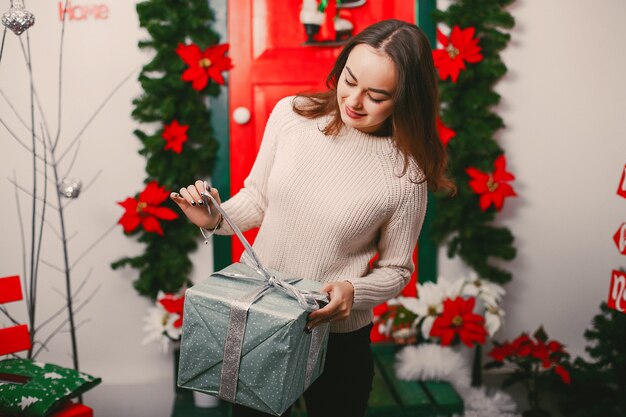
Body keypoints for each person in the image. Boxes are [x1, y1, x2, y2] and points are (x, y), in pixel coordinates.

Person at [170, 19, 454, 417]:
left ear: (406, 100)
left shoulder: (406, 175)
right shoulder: (292, 116)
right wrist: (214, 216)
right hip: (260, 322)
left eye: (376, 95)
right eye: (349, 80)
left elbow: (397, 269)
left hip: (337, 342)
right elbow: (258, 199)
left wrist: (353, 292)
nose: (354, 100)